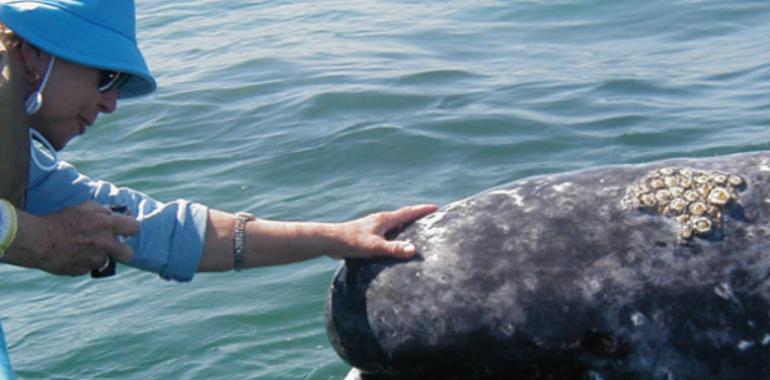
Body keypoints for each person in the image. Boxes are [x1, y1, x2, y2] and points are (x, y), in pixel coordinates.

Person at [0, 0, 436, 374]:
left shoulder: (27, 161)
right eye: (107, 77)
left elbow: (164, 232)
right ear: (37, 51)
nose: (111, 103)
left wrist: (332, 237)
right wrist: (35, 237)